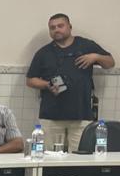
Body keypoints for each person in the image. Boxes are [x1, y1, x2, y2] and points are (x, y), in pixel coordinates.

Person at [26, 13, 115, 152]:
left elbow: (110, 63)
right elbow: (30, 80)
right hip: (51, 117)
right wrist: (47, 85)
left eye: (60, 26)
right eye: (52, 28)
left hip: (81, 115)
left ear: (70, 27)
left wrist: (95, 57)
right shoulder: (43, 53)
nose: (56, 30)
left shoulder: (86, 45)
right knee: (50, 158)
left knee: (79, 159)